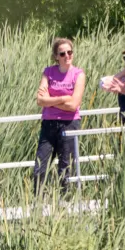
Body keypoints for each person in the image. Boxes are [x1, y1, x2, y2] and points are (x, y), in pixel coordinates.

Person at [33, 37, 85, 188]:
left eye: (70, 52)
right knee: (40, 166)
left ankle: (66, 201)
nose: (67, 56)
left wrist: (51, 100)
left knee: (65, 167)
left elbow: (74, 105)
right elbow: (40, 100)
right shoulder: (48, 72)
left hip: (70, 123)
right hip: (49, 123)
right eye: (62, 54)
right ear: (56, 56)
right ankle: (38, 202)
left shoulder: (78, 74)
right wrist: (63, 98)